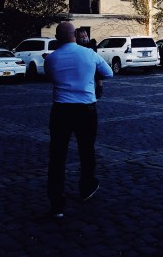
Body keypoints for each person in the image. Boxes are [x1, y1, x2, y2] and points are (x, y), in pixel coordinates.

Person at [45, 21, 113, 219]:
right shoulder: (89, 54)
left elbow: (51, 78)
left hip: (61, 110)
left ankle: (57, 203)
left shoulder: (52, 59)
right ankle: (87, 187)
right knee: (86, 150)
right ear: (74, 35)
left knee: (57, 156)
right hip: (86, 109)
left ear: (57, 38)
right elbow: (109, 73)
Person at [75, 28, 103, 98]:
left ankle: (99, 86)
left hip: (90, 65)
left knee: (97, 70)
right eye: (82, 37)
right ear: (76, 38)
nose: (85, 38)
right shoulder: (76, 47)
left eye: (86, 36)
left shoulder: (91, 46)